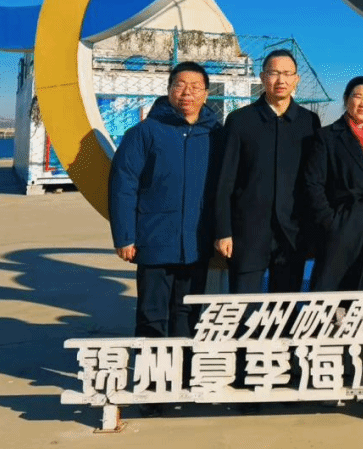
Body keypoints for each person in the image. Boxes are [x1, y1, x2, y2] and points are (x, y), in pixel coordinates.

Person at [109, 61, 221, 339]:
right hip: (154, 240)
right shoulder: (144, 133)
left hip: (197, 241)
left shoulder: (216, 135)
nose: (187, 92)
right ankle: (150, 366)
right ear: (169, 90)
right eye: (180, 85)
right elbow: (123, 186)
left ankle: (184, 363)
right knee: (152, 312)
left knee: (189, 312)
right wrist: (124, 236)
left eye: (195, 87)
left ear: (206, 94)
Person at [214, 49, 321, 294]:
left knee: (284, 310)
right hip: (247, 233)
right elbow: (225, 181)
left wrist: (313, 231)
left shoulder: (309, 122)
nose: (281, 80)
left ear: (296, 79)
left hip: (292, 234)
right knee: (242, 306)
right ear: (262, 77)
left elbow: (314, 181)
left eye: (287, 74)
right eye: (274, 73)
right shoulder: (240, 120)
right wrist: (223, 231)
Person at [304, 76, 363, 291]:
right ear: (346, 99)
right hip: (341, 227)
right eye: (358, 97)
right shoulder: (327, 136)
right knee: (335, 295)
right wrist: (330, 222)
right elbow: (314, 184)